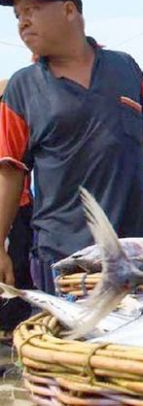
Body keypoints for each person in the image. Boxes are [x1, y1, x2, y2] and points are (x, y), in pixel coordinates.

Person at [0, 0, 143, 293]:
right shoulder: (21, 87)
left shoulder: (125, 68)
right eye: (17, 16)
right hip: (66, 256)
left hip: (137, 246)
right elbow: (10, 172)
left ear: (69, 11)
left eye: (31, 10)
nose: (22, 23)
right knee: (79, 342)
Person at [0, 79, 32, 338]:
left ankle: (13, 326)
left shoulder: (16, 126)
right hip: (10, 210)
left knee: (18, 270)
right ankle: (11, 328)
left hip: (21, 206)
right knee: (12, 271)